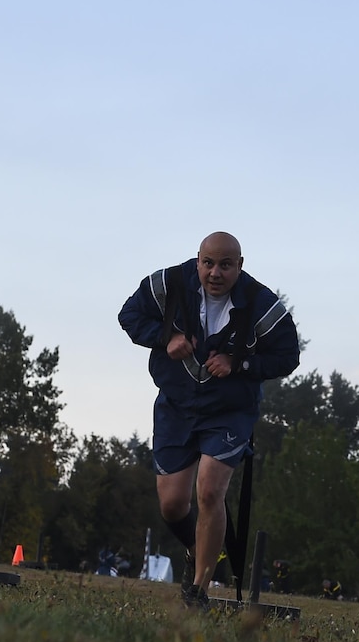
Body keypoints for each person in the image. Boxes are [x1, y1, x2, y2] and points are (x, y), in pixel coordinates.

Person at [117, 232, 300, 606]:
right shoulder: (168, 283)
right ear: (197, 260)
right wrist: (165, 336)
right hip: (176, 405)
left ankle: (198, 590)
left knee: (210, 491)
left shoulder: (261, 303)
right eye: (208, 263)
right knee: (171, 504)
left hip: (229, 410)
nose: (215, 273)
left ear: (240, 265)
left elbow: (288, 356)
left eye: (226, 265)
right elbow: (128, 315)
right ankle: (195, 550)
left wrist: (240, 363)